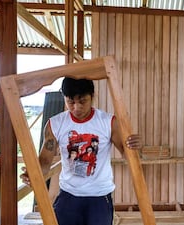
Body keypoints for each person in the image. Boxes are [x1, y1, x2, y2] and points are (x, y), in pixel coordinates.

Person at [20, 77, 142, 225]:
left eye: (82, 101)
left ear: (92, 96)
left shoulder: (108, 122)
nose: (76, 108)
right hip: (68, 195)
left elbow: (127, 154)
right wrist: (34, 174)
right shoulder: (55, 124)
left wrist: (134, 148)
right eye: (70, 102)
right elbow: (45, 161)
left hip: (99, 196)